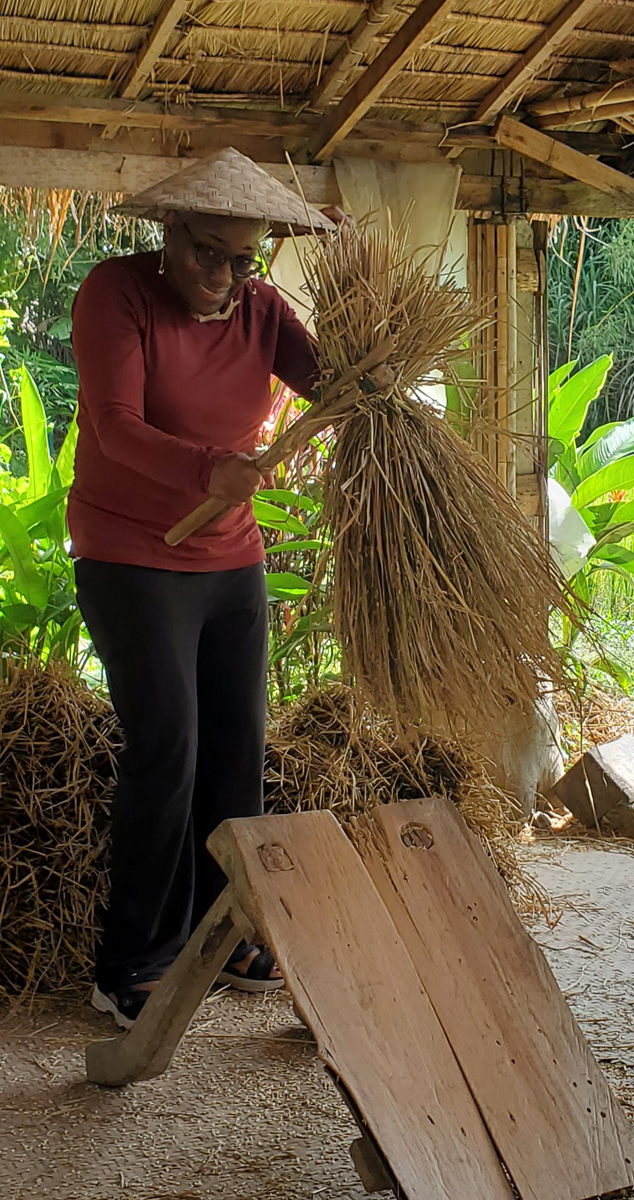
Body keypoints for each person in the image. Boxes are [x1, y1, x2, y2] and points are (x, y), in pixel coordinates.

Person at [70, 148, 336, 1029]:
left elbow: (332, 382)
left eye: (243, 260)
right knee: (169, 746)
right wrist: (206, 469)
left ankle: (225, 935)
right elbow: (112, 426)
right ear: (169, 231)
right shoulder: (117, 293)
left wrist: (366, 355)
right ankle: (134, 960)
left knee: (235, 748)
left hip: (230, 561)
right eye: (206, 253)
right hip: (131, 554)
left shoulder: (262, 308)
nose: (222, 276)